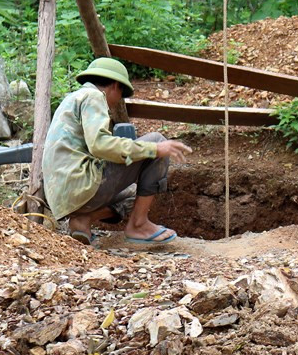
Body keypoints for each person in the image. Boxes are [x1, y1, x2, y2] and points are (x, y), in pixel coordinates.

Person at [42, 57, 192, 245]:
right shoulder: (94, 96)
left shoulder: (72, 99)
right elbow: (100, 145)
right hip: (80, 186)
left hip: (62, 197)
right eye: (121, 93)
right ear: (114, 86)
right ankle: (139, 225)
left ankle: (83, 220)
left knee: (131, 195)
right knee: (158, 141)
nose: (118, 100)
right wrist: (154, 149)